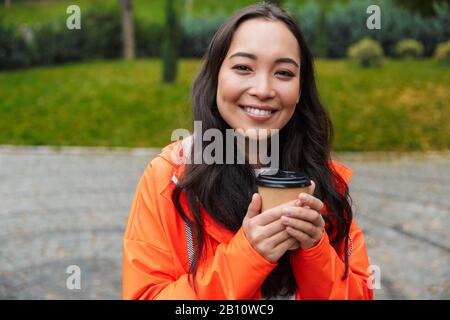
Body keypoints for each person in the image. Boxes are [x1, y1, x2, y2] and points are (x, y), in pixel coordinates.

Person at [122, 2, 373, 300]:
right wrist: (248, 256)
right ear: (216, 76)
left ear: (300, 88)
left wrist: (315, 250)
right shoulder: (169, 178)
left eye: (283, 73)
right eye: (243, 67)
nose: (264, 89)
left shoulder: (324, 181)